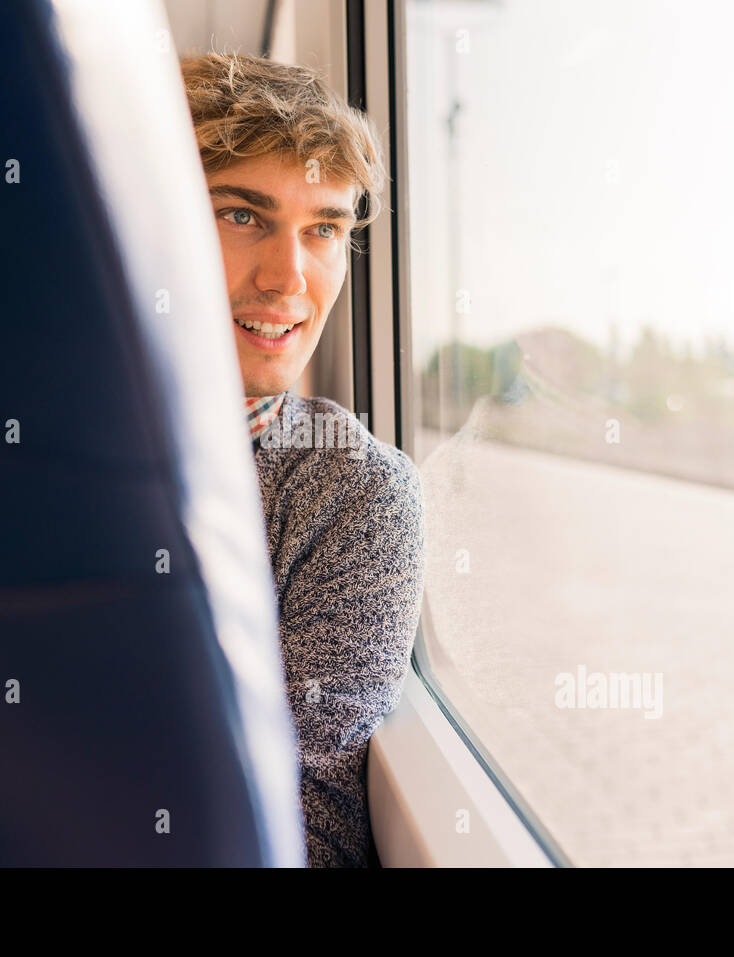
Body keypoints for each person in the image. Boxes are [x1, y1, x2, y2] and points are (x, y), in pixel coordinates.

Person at [180, 52, 426, 867]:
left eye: (324, 229)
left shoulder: (352, 495)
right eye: (243, 215)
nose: (290, 278)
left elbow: (297, 831)